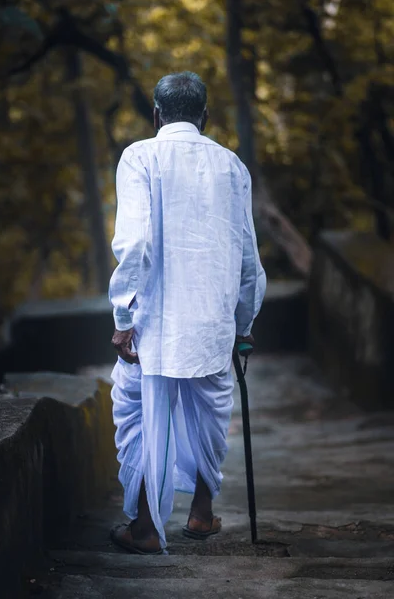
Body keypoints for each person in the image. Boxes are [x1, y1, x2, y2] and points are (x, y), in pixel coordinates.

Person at [109, 71, 266, 554]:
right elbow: (247, 261)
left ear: (156, 114)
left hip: (153, 327)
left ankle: (144, 529)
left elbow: (133, 242)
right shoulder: (233, 167)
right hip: (212, 326)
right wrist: (243, 325)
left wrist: (121, 318)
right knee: (208, 421)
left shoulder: (140, 156)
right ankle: (200, 515)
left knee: (138, 415)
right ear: (206, 117)